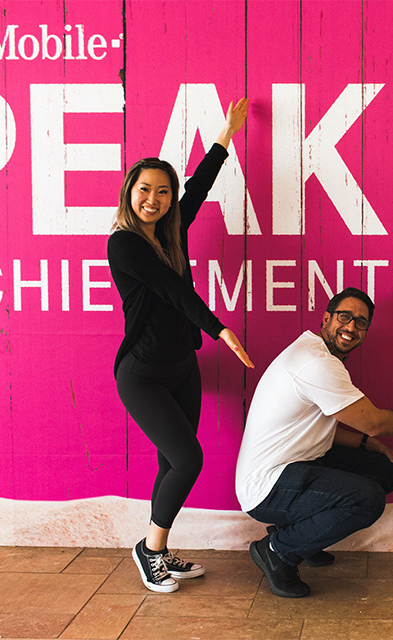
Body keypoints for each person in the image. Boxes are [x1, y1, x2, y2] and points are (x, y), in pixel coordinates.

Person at [107, 98, 255, 593]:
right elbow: (173, 289)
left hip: (181, 366)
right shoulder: (124, 243)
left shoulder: (172, 229)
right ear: (130, 192)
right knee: (189, 460)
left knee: (172, 461)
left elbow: (200, 184)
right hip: (142, 373)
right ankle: (148, 550)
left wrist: (225, 135)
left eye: (162, 192)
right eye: (144, 189)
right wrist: (220, 329)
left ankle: (160, 549)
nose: (153, 198)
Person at [234, 287, 393, 597]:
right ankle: (279, 550)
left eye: (360, 322)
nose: (351, 327)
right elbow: (374, 422)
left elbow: (314, 426)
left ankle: (301, 536)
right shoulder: (316, 363)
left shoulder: (316, 354)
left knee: (384, 470)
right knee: (367, 499)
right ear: (326, 319)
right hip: (268, 486)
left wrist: (367, 445)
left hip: (297, 465)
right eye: (344, 317)